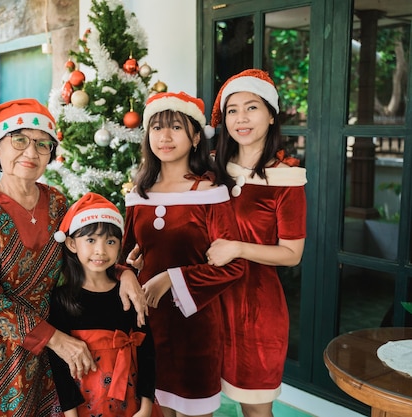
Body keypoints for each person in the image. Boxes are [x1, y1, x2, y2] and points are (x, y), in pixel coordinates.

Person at [0, 99, 146, 416]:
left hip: (57, 349)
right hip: (1, 354)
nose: (31, 153)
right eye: (19, 140)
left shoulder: (56, 202)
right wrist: (54, 339)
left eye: (43, 144)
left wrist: (124, 272)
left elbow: (85, 250)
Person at [120, 91, 246, 417]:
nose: (164, 137)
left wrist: (170, 279)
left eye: (175, 127)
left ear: (194, 137)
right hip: (147, 324)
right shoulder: (138, 196)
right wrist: (128, 271)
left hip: (196, 328)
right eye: (156, 128)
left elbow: (233, 267)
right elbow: (122, 258)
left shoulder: (211, 192)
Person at [205, 69, 307, 417]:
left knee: (256, 410)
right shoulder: (212, 168)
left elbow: (292, 254)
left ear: (271, 114)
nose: (241, 118)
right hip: (207, 301)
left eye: (252, 107)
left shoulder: (286, 178)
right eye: (232, 110)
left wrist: (238, 248)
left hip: (256, 309)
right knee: (195, 403)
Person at [48, 192, 161, 417]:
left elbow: (147, 352)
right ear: (71, 243)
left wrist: (146, 406)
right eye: (90, 240)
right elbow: (59, 366)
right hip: (83, 406)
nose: (100, 250)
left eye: (110, 241)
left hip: (131, 405)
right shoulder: (62, 298)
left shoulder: (129, 293)